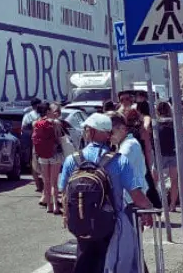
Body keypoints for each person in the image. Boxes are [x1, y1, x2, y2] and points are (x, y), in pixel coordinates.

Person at [59, 113, 154, 273]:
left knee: (85, 264)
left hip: (82, 225)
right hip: (111, 225)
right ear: (108, 133)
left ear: (91, 131)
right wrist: (148, 210)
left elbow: (63, 193)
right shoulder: (119, 161)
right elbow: (136, 194)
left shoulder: (72, 160)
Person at [112, 111, 148, 206]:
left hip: (131, 200)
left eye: (111, 131)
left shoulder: (128, 146)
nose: (109, 135)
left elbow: (116, 168)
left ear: (123, 129)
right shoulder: (125, 143)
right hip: (131, 197)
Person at [32, 102, 60, 214]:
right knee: (54, 182)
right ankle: (56, 207)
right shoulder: (55, 123)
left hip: (42, 155)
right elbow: (58, 138)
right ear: (48, 111)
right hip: (54, 154)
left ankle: (48, 206)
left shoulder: (36, 123)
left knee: (46, 181)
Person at [154, 101, 180, 212]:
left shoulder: (155, 123)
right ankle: (173, 204)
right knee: (174, 180)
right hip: (173, 153)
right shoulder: (174, 122)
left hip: (159, 153)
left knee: (156, 180)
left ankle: (159, 203)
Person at [22, 98, 45, 196]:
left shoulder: (43, 114)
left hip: (41, 142)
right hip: (35, 142)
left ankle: (43, 185)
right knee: (36, 164)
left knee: (41, 163)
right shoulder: (30, 116)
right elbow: (24, 128)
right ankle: (39, 185)